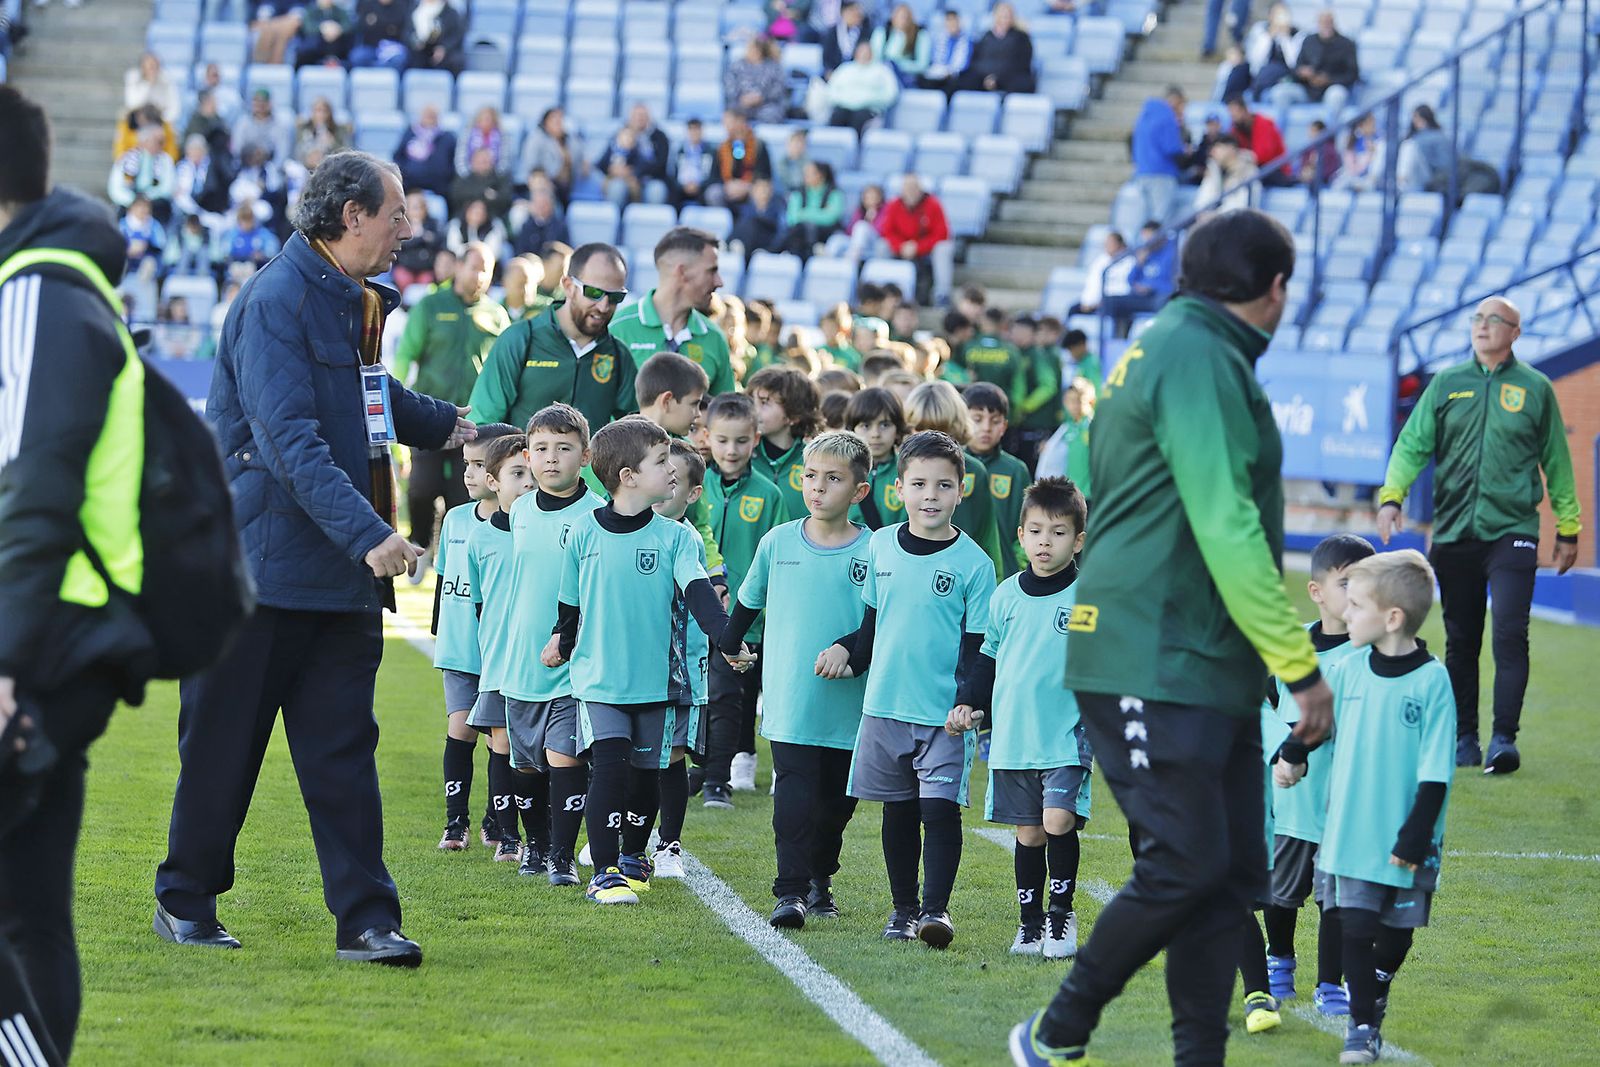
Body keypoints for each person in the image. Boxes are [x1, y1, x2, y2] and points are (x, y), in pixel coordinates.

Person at [1009, 209, 1333, 1067]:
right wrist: (1299, 665)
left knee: (1225, 877)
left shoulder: (1181, 344)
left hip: (1200, 654)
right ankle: (1054, 1029)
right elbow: (1226, 522)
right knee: (1185, 863)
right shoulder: (1196, 355)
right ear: (1275, 289)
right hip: (1151, 650)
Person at [154, 151, 476, 967]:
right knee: (222, 752)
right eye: (396, 215)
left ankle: (366, 921)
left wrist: (454, 427)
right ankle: (185, 900)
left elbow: (371, 397)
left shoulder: (347, 299)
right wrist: (371, 534)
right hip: (258, 577)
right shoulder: (275, 300)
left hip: (334, 582)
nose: (408, 230)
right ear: (351, 216)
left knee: (343, 761)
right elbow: (290, 442)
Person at [0, 86, 170, 1065]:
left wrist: (6, 661)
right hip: (59, 633)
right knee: (30, 907)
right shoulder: (49, 287)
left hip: (43, 640)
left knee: (26, 910)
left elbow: (38, 492)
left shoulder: (37, 295)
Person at [544, 417, 754, 904]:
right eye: (661, 462)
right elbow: (570, 602)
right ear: (628, 477)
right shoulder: (583, 532)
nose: (672, 470)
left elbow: (701, 596)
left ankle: (634, 854)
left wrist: (728, 641)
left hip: (658, 684)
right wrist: (561, 639)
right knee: (611, 768)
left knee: (645, 775)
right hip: (599, 680)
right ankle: (604, 872)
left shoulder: (677, 538)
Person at [1377, 296, 1581, 773]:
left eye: (1495, 320)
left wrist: (1568, 527)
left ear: (1515, 332)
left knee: (1510, 632)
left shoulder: (1536, 388)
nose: (1483, 326)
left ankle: (1504, 739)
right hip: (1454, 532)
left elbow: (1556, 459)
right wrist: (1392, 497)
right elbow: (1412, 445)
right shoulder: (1447, 383)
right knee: (1462, 639)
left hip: (1513, 530)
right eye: (1477, 318)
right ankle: (1464, 738)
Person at [1274, 550, 1456, 1065]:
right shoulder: (1348, 669)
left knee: (1394, 939)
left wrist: (1415, 835)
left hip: (1406, 838)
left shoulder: (1432, 682)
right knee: (1352, 927)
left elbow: (1436, 772)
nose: (1346, 615)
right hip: (1346, 832)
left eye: (1356, 606)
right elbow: (1316, 721)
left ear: (1392, 618)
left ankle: (1377, 984)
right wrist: (1291, 754)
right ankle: (1360, 1030)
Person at [817, 429, 997, 948]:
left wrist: (970, 702)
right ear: (898, 490)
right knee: (898, 811)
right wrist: (848, 653)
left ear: (961, 490)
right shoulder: (880, 546)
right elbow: (873, 626)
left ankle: (936, 912)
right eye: (919, 485)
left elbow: (979, 648)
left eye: (943, 486)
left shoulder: (975, 565)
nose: (930, 496)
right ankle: (903, 910)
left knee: (938, 811)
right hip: (885, 707)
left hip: (944, 717)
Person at [721, 431, 873, 926]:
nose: (818, 487)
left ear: (860, 491)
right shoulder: (778, 541)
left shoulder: (876, 550)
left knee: (835, 807)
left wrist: (848, 649)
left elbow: (882, 622)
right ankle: (789, 892)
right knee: (793, 796)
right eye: (810, 476)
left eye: (833, 478)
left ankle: (819, 877)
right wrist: (730, 643)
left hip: (850, 706)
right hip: (790, 700)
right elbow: (748, 602)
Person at [952, 478, 1090, 958]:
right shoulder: (1006, 595)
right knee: (1029, 832)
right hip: (1014, 736)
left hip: (1067, 734)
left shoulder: (1088, 598)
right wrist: (969, 702)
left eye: (1058, 533)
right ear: (1021, 536)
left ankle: (1061, 917)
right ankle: (1029, 924)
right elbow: (987, 658)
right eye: (1036, 532)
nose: (1045, 542)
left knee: (1058, 819)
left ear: (1078, 541)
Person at [1261, 533, 1375, 1018]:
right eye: (1347, 582)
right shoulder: (1290, 649)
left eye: (1368, 583)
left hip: (1347, 807)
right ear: (1316, 592)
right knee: (1281, 895)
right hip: (1291, 805)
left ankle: (1331, 983)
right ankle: (1279, 961)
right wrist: (1279, 750)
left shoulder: (1371, 654)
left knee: (1338, 901)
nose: (1359, 593)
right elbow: (1259, 703)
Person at [497, 403, 601, 884]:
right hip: (520, 660)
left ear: (586, 456)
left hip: (572, 661)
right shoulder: (519, 510)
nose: (551, 458)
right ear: (527, 455)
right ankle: (534, 848)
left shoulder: (595, 514)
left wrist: (568, 635)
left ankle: (561, 856)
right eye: (540, 448)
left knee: (565, 757)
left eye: (564, 448)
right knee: (526, 765)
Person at [430, 422, 521, 852]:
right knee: (460, 729)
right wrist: (438, 629)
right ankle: (455, 822)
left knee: (500, 738)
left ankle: (495, 820)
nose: (469, 474)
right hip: (461, 648)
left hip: (501, 650)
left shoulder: (522, 525)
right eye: (466, 464)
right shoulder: (455, 519)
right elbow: (443, 578)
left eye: (479, 465)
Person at [698, 394, 790, 809]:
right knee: (702, 697)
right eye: (722, 440)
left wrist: (766, 609)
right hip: (697, 614)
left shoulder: (769, 494)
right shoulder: (694, 484)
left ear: (755, 439)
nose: (731, 450)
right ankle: (702, 769)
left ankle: (727, 773)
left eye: (740, 441)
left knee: (733, 696)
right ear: (707, 437)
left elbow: (779, 557)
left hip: (747, 619)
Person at [393, 242, 510, 569]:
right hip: (428, 417)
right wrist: (395, 406)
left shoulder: (496, 315)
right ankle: (420, 542)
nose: (480, 276)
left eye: (487, 270)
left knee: (461, 494)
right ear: (457, 267)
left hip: (474, 424)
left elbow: (502, 369)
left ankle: (451, 556)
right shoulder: (430, 306)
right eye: (474, 267)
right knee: (421, 488)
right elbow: (406, 356)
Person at [463, 433, 541, 864]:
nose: (528, 481)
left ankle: (544, 837)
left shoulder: (549, 530)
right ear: (493, 482)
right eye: (517, 473)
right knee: (502, 746)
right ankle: (508, 836)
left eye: (531, 472)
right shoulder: (480, 539)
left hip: (545, 665)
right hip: (499, 664)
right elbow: (481, 604)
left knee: (545, 755)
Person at [470, 242, 636, 431]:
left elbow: (635, 431)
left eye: (615, 297)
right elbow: (482, 425)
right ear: (569, 286)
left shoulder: (618, 355)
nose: (604, 306)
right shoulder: (519, 340)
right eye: (594, 293)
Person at [646, 440, 716, 875]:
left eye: (674, 481)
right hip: (635, 668)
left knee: (671, 756)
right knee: (626, 755)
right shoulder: (627, 527)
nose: (663, 486)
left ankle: (669, 845)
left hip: (680, 670)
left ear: (692, 494)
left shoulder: (684, 538)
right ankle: (621, 837)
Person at [609, 227, 736, 395]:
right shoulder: (619, 329)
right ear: (682, 272)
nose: (719, 282)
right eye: (711, 271)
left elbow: (725, 409)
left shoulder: (714, 337)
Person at [902, 381, 1004, 576]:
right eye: (921, 429)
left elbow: (987, 536)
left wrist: (995, 581)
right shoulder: (902, 468)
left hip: (960, 574)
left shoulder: (974, 470)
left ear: (956, 427)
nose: (930, 440)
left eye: (941, 430)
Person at [964, 383, 1034, 577]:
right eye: (977, 419)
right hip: (959, 570)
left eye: (995, 421)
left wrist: (1019, 566)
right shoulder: (952, 465)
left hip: (1003, 573)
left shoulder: (1015, 470)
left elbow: (1028, 524)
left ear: (1004, 426)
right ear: (962, 420)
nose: (986, 428)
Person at [747, 365, 822, 521]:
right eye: (751, 401)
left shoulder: (815, 461)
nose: (753, 410)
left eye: (764, 402)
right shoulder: (744, 456)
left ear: (793, 416)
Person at [1270, 10, 1358, 121]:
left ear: (1334, 23)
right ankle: (1279, 130)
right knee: (1279, 92)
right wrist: (1302, 72)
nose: (1326, 25)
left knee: (1336, 95)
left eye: (1329, 22)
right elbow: (1296, 68)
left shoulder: (1346, 44)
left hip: (1331, 88)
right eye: (1322, 22)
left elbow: (1352, 74)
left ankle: (1330, 131)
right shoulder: (1309, 41)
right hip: (1307, 88)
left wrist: (1329, 80)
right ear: (1317, 23)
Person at [877, 174, 950, 306]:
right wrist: (901, 246)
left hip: (926, 248)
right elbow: (887, 231)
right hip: (902, 246)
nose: (910, 191)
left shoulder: (933, 204)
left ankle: (942, 294)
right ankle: (881, 290)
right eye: (907, 188)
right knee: (882, 246)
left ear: (920, 189)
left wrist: (918, 247)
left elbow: (941, 234)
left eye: (913, 187)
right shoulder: (894, 205)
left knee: (943, 248)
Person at [845, 387, 908, 529]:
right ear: (852, 429)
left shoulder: (908, 472)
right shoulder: (840, 472)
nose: (875, 434)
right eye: (866, 425)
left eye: (885, 425)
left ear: (898, 429)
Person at [1130, 86, 1187, 226]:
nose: (1182, 109)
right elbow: (1171, 148)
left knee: (1144, 221)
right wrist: (1184, 150)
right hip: (1162, 174)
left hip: (1142, 172)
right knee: (1160, 221)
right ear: (1175, 100)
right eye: (1182, 104)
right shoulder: (1167, 116)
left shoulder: (1144, 115)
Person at [958, 1, 1034, 93]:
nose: (1004, 19)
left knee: (1022, 82)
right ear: (995, 16)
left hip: (1009, 78)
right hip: (984, 78)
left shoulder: (1021, 38)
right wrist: (987, 77)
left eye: (1007, 16)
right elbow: (976, 61)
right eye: (1002, 16)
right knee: (964, 80)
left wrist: (997, 77)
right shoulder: (986, 36)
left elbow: (1022, 64)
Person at [108, 124, 177, 224]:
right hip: (130, 200)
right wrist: (133, 201)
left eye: (162, 142)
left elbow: (167, 188)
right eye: (157, 141)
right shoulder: (127, 158)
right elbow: (115, 188)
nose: (161, 145)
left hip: (155, 202)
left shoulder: (165, 160)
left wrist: (146, 199)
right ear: (143, 141)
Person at [518, 108, 588, 205]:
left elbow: (582, 156)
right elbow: (531, 166)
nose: (559, 123)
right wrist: (545, 178)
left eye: (560, 119)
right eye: (554, 120)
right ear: (546, 123)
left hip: (568, 185)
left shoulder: (570, 139)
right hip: (545, 182)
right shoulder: (536, 139)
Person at [826, 40, 900, 133]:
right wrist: (847, 100)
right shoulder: (845, 69)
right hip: (844, 107)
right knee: (837, 116)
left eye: (866, 52)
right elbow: (831, 90)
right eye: (861, 52)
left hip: (869, 109)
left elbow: (891, 94)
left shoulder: (882, 70)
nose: (863, 55)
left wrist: (869, 100)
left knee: (859, 118)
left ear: (872, 53)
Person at [708, 110, 773, 212]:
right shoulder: (722, 147)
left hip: (751, 186)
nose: (726, 126)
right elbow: (714, 176)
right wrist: (728, 185)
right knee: (714, 193)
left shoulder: (758, 145)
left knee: (761, 192)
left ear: (740, 121)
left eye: (729, 122)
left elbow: (764, 173)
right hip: (728, 187)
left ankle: (756, 221)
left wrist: (746, 186)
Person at [783, 161, 844, 259]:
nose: (805, 176)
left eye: (810, 173)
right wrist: (820, 213)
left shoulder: (834, 193)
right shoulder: (798, 193)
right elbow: (792, 218)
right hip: (800, 234)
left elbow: (831, 218)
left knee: (808, 229)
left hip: (825, 234)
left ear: (821, 175)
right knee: (798, 231)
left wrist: (804, 213)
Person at [393, 106, 458, 198]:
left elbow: (452, 163)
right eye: (427, 115)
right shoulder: (409, 133)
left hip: (438, 187)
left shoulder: (447, 137)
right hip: (410, 185)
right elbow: (398, 157)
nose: (429, 118)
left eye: (432, 116)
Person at [1224, 95, 1291, 184]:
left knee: (1246, 173)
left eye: (1235, 112)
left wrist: (1240, 155)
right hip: (1255, 169)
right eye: (1231, 113)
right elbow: (1231, 150)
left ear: (1245, 110)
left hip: (1275, 169)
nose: (1233, 116)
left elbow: (1263, 156)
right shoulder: (1235, 128)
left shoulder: (1264, 124)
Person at [724, 35, 789, 124]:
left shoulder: (775, 67)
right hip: (742, 103)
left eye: (755, 49)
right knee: (732, 114)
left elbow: (778, 87)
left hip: (767, 104)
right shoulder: (737, 66)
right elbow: (729, 85)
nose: (751, 51)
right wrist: (743, 98)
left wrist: (761, 97)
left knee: (771, 114)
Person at [1072, 230, 1133, 316]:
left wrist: (1102, 302)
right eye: (1106, 243)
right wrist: (1087, 302)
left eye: (1110, 243)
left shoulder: (1129, 262)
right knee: (1072, 310)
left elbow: (1123, 288)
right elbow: (1092, 283)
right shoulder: (1101, 260)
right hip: (1094, 304)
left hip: (1112, 303)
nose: (1107, 246)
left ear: (1120, 244)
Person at [1397, 104, 1454, 192]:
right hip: (1413, 175)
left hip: (1430, 177)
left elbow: (1445, 164)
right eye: (1414, 117)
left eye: (1417, 117)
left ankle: (1399, 184)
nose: (1414, 120)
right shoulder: (1413, 135)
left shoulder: (1439, 136)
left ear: (1426, 117)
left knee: (1409, 146)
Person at [231, 88, 293, 167]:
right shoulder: (243, 122)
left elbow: (282, 153)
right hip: (246, 166)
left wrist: (272, 169)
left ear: (269, 104)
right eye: (257, 102)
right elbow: (236, 149)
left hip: (271, 166)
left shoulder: (279, 124)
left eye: (263, 102)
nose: (260, 106)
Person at [871, 3, 930, 85]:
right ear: (892, 17)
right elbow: (875, 58)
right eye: (899, 17)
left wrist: (898, 65)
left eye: (906, 18)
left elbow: (922, 65)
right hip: (884, 75)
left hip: (907, 77)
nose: (903, 21)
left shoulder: (920, 35)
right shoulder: (882, 32)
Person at [919, 9, 971, 95]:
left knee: (952, 84)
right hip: (939, 73)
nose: (951, 24)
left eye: (953, 20)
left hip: (956, 76)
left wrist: (950, 71)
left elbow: (962, 64)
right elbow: (936, 59)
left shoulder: (966, 40)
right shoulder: (940, 38)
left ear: (959, 22)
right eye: (949, 21)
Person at [350, 0, 410, 69]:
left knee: (399, 59)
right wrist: (386, 25)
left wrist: (377, 22)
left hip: (392, 47)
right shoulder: (368, 5)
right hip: (372, 47)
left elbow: (400, 28)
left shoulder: (400, 6)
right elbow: (361, 26)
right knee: (357, 56)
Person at [408, 0, 465, 73]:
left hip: (443, 50)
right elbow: (407, 33)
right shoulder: (415, 11)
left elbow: (456, 35)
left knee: (454, 61)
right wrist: (415, 42)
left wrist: (444, 48)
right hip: (420, 50)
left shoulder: (450, 11)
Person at [671, 118, 716, 208]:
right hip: (683, 187)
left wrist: (698, 185)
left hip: (702, 187)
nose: (694, 133)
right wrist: (684, 186)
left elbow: (713, 176)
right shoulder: (681, 151)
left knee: (709, 193)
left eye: (696, 129)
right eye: (691, 129)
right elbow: (674, 175)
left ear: (701, 131)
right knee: (672, 193)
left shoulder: (710, 151)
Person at [124, 51, 179, 125]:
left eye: (155, 66)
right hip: (138, 123)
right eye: (150, 66)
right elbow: (132, 103)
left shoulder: (166, 79)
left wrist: (163, 120)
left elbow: (174, 106)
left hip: (160, 122)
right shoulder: (133, 77)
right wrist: (148, 83)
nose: (152, 69)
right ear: (142, 67)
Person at [1332, 113, 1383, 191]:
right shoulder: (1351, 141)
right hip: (1352, 177)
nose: (1374, 127)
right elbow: (1351, 168)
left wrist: (1371, 152)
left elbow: (1374, 170)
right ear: (1361, 125)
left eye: (1374, 124)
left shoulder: (1378, 142)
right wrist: (1369, 154)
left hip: (1368, 180)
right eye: (1370, 124)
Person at [295, 96, 351, 167]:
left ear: (330, 113)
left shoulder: (338, 129)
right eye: (317, 111)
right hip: (306, 166)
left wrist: (332, 143)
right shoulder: (304, 128)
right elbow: (298, 150)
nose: (320, 115)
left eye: (324, 111)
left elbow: (345, 153)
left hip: (331, 166)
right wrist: (308, 157)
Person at [294, 0, 354, 67]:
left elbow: (348, 25)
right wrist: (322, 28)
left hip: (337, 41)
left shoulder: (340, 10)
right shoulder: (310, 10)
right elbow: (308, 27)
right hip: (316, 43)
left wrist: (337, 29)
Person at [821, 0, 871, 72]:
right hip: (836, 72)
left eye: (857, 11)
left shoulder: (865, 31)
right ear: (843, 13)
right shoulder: (833, 32)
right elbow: (826, 57)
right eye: (852, 11)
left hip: (857, 71)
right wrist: (829, 71)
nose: (856, 13)